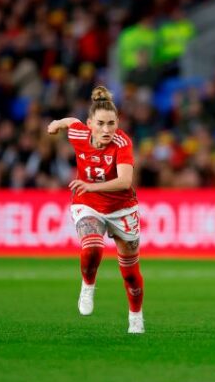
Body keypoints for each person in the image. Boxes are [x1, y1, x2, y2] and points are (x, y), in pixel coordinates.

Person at [47, 86, 145, 334]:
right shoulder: (79, 134)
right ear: (90, 124)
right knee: (91, 247)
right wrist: (58, 123)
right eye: (100, 123)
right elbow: (72, 122)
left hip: (122, 209)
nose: (106, 130)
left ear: (118, 122)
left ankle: (135, 317)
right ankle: (88, 286)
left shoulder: (123, 143)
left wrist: (90, 186)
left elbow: (125, 181)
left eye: (111, 123)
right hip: (87, 203)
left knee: (130, 274)